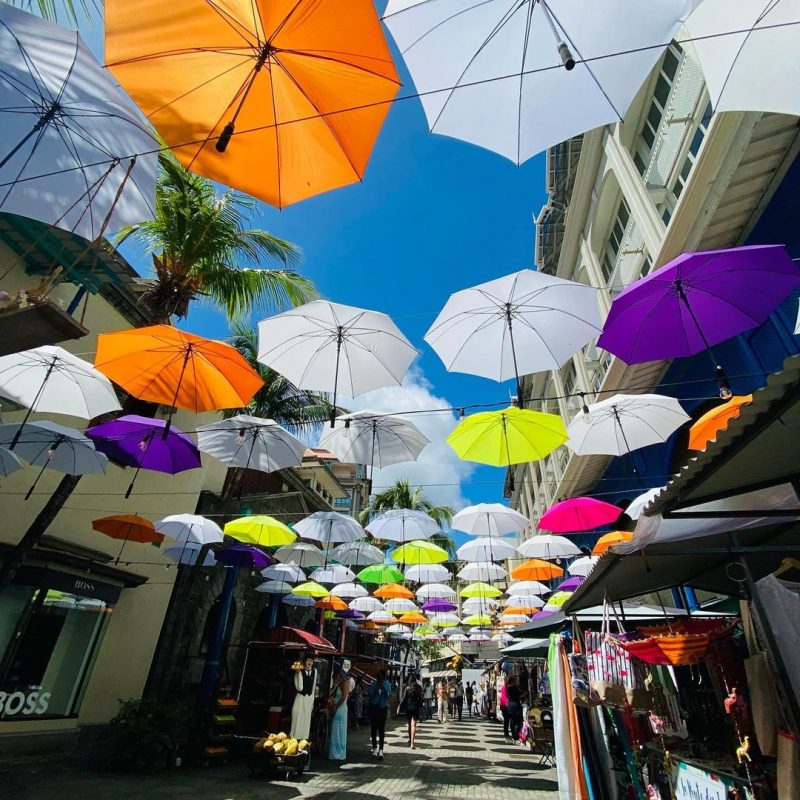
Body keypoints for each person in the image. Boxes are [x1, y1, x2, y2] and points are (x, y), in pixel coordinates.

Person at [328, 659, 353, 761]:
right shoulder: (341, 680)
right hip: (340, 707)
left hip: (341, 708)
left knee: (337, 730)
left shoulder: (344, 681)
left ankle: (338, 753)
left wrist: (336, 706)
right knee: (336, 730)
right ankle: (337, 752)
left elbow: (343, 697)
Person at [290, 653, 316, 741]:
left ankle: (304, 740)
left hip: (309, 699)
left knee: (306, 720)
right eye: (308, 661)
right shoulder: (299, 671)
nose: (309, 663)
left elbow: (313, 688)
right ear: (305, 661)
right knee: (297, 717)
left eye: (311, 661)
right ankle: (294, 739)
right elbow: (299, 688)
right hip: (300, 698)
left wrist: (312, 701)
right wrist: (298, 674)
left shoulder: (315, 671)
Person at [367, 669, 392, 759]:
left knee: (381, 730)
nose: (380, 678)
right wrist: (375, 688)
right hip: (374, 708)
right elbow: (369, 693)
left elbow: (390, 694)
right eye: (379, 677)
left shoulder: (387, 684)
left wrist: (383, 688)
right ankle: (374, 748)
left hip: (383, 709)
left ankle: (381, 750)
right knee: (373, 729)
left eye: (381, 677)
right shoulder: (373, 684)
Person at [399, 673, 423, 749]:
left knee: (409, 725)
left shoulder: (407, 688)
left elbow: (404, 698)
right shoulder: (419, 688)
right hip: (416, 708)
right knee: (414, 726)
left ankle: (409, 740)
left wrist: (399, 706)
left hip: (408, 708)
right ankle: (412, 743)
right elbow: (421, 699)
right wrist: (420, 707)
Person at [506, 679, 524, 744]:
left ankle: (513, 736)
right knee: (518, 722)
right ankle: (516, 737)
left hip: (509, 706)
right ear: (513, 682)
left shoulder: (507, 689)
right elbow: (520, 695)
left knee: (512, 722)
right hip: (516, 706)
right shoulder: (514, 688)